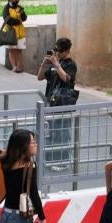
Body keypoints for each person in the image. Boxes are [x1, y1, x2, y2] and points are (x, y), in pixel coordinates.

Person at [38, 37, 78, 168]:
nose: (57, 54)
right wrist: (44, 64)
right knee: (52, 131)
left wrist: (56, 64)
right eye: (56, 50)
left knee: (63, 132)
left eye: (59, 51)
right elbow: (40, 77)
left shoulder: (70, 64)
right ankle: (51, 159)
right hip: (51, 101)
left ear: (67, 51)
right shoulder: (55, 63)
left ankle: (63, 161)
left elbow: (67, 79)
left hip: (63, 102)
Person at [1, 0, 27, 73]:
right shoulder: (6, 8)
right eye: (16, 0)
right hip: (11, 31)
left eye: (18, 0)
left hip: (20, 32)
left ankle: (19, 67)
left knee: (19, 49)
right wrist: (18, 21)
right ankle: (14, 67)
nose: (17, 1)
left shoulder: (19, 8)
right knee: (12, 50)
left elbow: (24, 18)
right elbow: (7, 19)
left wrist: (22, 14)